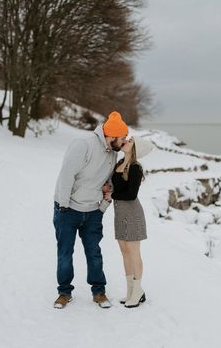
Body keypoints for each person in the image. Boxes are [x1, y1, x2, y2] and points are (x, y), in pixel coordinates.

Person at [53, 111, 128, 309]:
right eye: (123, 138)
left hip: (93, 212)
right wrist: (63, 206)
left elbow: (108, 184)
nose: (124, 142)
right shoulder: (83, 144)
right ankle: (64, 292)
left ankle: (99, 292)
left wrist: (102, 208)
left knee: (94, 253)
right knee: (65, 253)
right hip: (68, 209)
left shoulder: (113, 153)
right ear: (111, 136)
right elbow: (66, 175)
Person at [104, 135, 154, 308]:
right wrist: (107, 189)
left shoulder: (135, 168)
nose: (126, 140)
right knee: (124, 252)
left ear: (135, 148)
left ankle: (138, 291)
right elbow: (114, 185)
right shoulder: (119, 163)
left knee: (134, 253)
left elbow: (131, 194)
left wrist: (112, 195)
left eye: (131, 141)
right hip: (119, 213)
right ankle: (130, 291)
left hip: (132, 213)